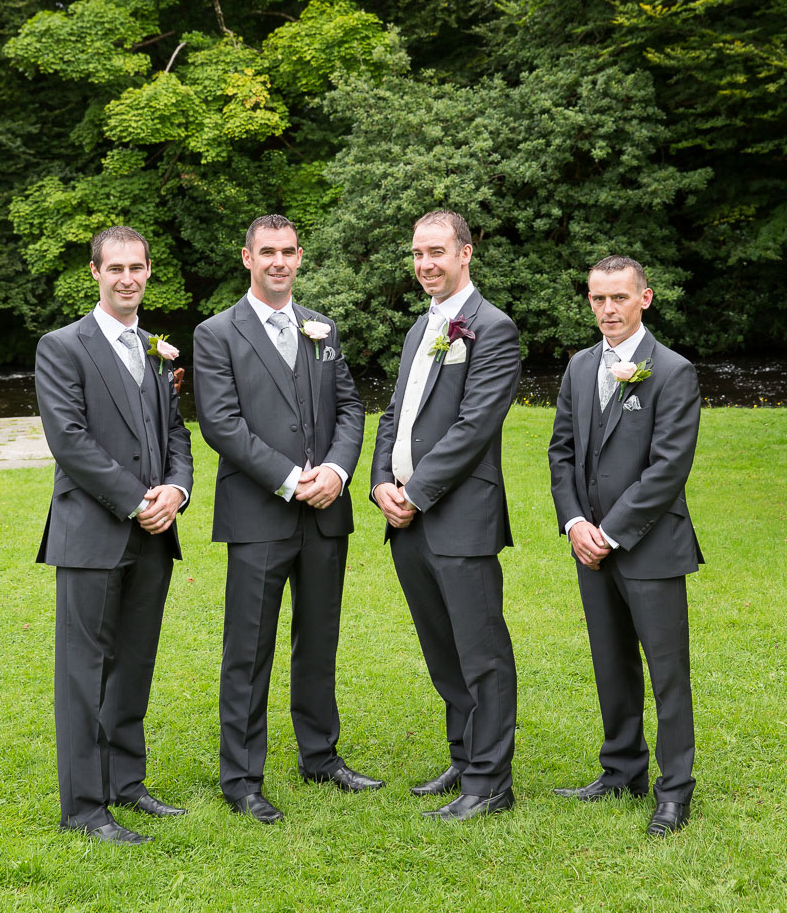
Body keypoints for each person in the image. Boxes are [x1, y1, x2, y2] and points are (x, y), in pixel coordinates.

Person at [193, 214, 378, 824]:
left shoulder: (320, 327)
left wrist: (336, 472)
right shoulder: (216, 333)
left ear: (300, 258)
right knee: (248, 648)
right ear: (247, 258)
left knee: (319, 638)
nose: (279, 261)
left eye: (289, 252)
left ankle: (320, 756)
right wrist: (290, 479)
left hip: (327, 510)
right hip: (259, 514)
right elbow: (221, 423)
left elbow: (350, 406)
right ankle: (242, 777)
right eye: (267, 251)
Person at [35, 226, 193, 844]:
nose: (127, 278)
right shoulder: (62, 346)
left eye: (137, 267)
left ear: (149, 272)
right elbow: (70, 441)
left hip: (155, 533)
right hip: (92, 532)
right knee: (82, 671)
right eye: (115, 268)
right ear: (95, 273)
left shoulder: (154, 349)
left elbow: (175, 433)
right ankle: (83, 805)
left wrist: (176, 491)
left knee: (134, 663)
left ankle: (127, 783)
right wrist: (136, 502)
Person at [371, 210, 520, 821]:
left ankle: (491, 783)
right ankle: (465, 757)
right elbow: (396, 417)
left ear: (465, 254)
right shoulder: (419, 329)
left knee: (481, 651)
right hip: (407, 516)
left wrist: (416, 491)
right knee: (443, 652)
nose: (425, 264)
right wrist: (382, 479)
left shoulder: (494, 328)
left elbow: (474, 426)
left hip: (459, 516)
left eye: (437, 252)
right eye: (417, 254)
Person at [548, 255, 703, 837]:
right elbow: (561, 452)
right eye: (597, 299)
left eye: (618, 298)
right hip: (589, 545)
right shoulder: (580, 366)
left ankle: (675, 789)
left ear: (645, 299)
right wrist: (574, 525)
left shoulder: (672, 371)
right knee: (610, 661)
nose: (607, 310)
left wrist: (609, 532)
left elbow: (667, 470)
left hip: (650, 548)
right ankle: (621, 770)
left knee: (667, 672)